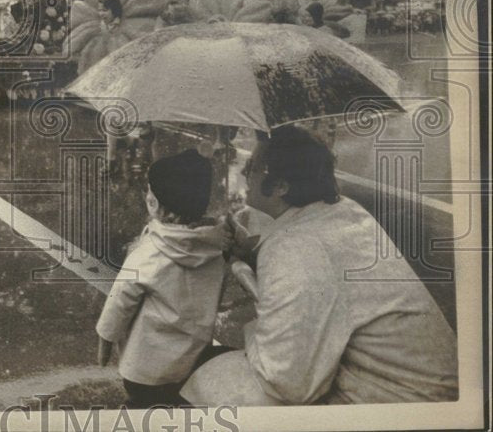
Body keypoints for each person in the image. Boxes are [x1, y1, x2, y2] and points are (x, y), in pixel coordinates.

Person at [186, 125, 458, 405]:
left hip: (398, 402)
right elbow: (320, 272)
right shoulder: (342, 210)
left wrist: (253, 329)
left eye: (253, 166)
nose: (244, 172)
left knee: (210, 382)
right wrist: (252, 256)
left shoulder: (294, 246)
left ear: (280, 186)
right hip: (426, 386)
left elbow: (284, 382)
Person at [96, 150, 232, 409]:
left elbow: (119, 302)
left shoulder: (148, 253)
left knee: (143, 408)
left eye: (149, 191)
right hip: (191, 361)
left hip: (145, 372)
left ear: (154, 204)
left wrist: (105, 340)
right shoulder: (215, 247)